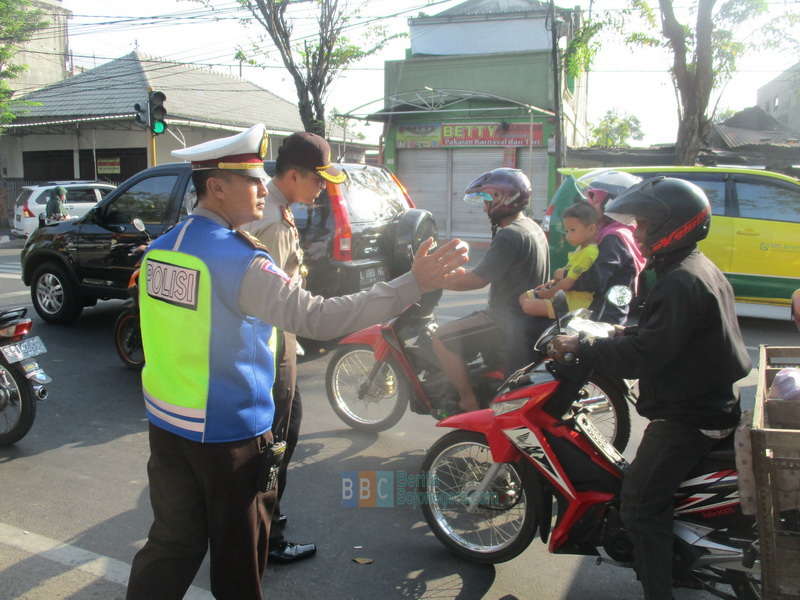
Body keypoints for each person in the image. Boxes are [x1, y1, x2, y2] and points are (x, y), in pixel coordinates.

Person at [126, 123, 468, 600]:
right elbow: (318, 317)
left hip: (168, 424)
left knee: (171, 544)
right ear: (217, 187)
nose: (261, 187)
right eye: (251, 179)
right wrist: (412, 283)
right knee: (240, 556)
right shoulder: (239, 260)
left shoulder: (165, 248)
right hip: (229, 435)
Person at [548, 176, 751, 600]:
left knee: (638, 506)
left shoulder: (680, 282)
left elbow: (643, 356)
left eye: (643, 224)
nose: (636, 232)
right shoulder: (692, 268)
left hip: (689, 418)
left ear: (671, 225)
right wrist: (615, 333)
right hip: (705, 400)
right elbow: (665, 335)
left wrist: (584, 348)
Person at [240, 132, 342, 564]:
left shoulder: (263, 204)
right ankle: (268, 539)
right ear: (295, 175)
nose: (322, 189)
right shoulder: (276, 223)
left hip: (255, 344)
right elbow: (282, 304)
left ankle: (255, 532)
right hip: (273, 345)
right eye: (318, 180)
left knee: (271, 440)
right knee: (279, 443)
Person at [431, 168, 549, 414]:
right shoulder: (531, 226)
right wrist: (456, 274)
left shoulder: (509, 235)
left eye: (487, 200)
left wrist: (436, 281)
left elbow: (477, 281)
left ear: (503, 199)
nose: (485, 208)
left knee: (441, 337)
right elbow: (490, 270)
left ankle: (467, 400)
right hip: (527, 318)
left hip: (505, 319)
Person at [570, 171, 646, 324]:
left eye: (593, 196)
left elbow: (596, 279)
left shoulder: (614, 238)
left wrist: (567, 278)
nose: (588, 202)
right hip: (607, 312)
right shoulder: (615, 231)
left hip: (604, 318)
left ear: (613, 202)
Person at [519, 200, 599, 318]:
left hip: (572, 304)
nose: (567, 236)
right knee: (524, 297)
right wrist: (551, 283)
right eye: (566, 231)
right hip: (563, 294)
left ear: (591, 229)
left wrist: (549, 293)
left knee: (528, 306)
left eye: (572, 230)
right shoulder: (580, 248)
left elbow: (568, 282)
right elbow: (565, 274)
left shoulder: (589, 253)